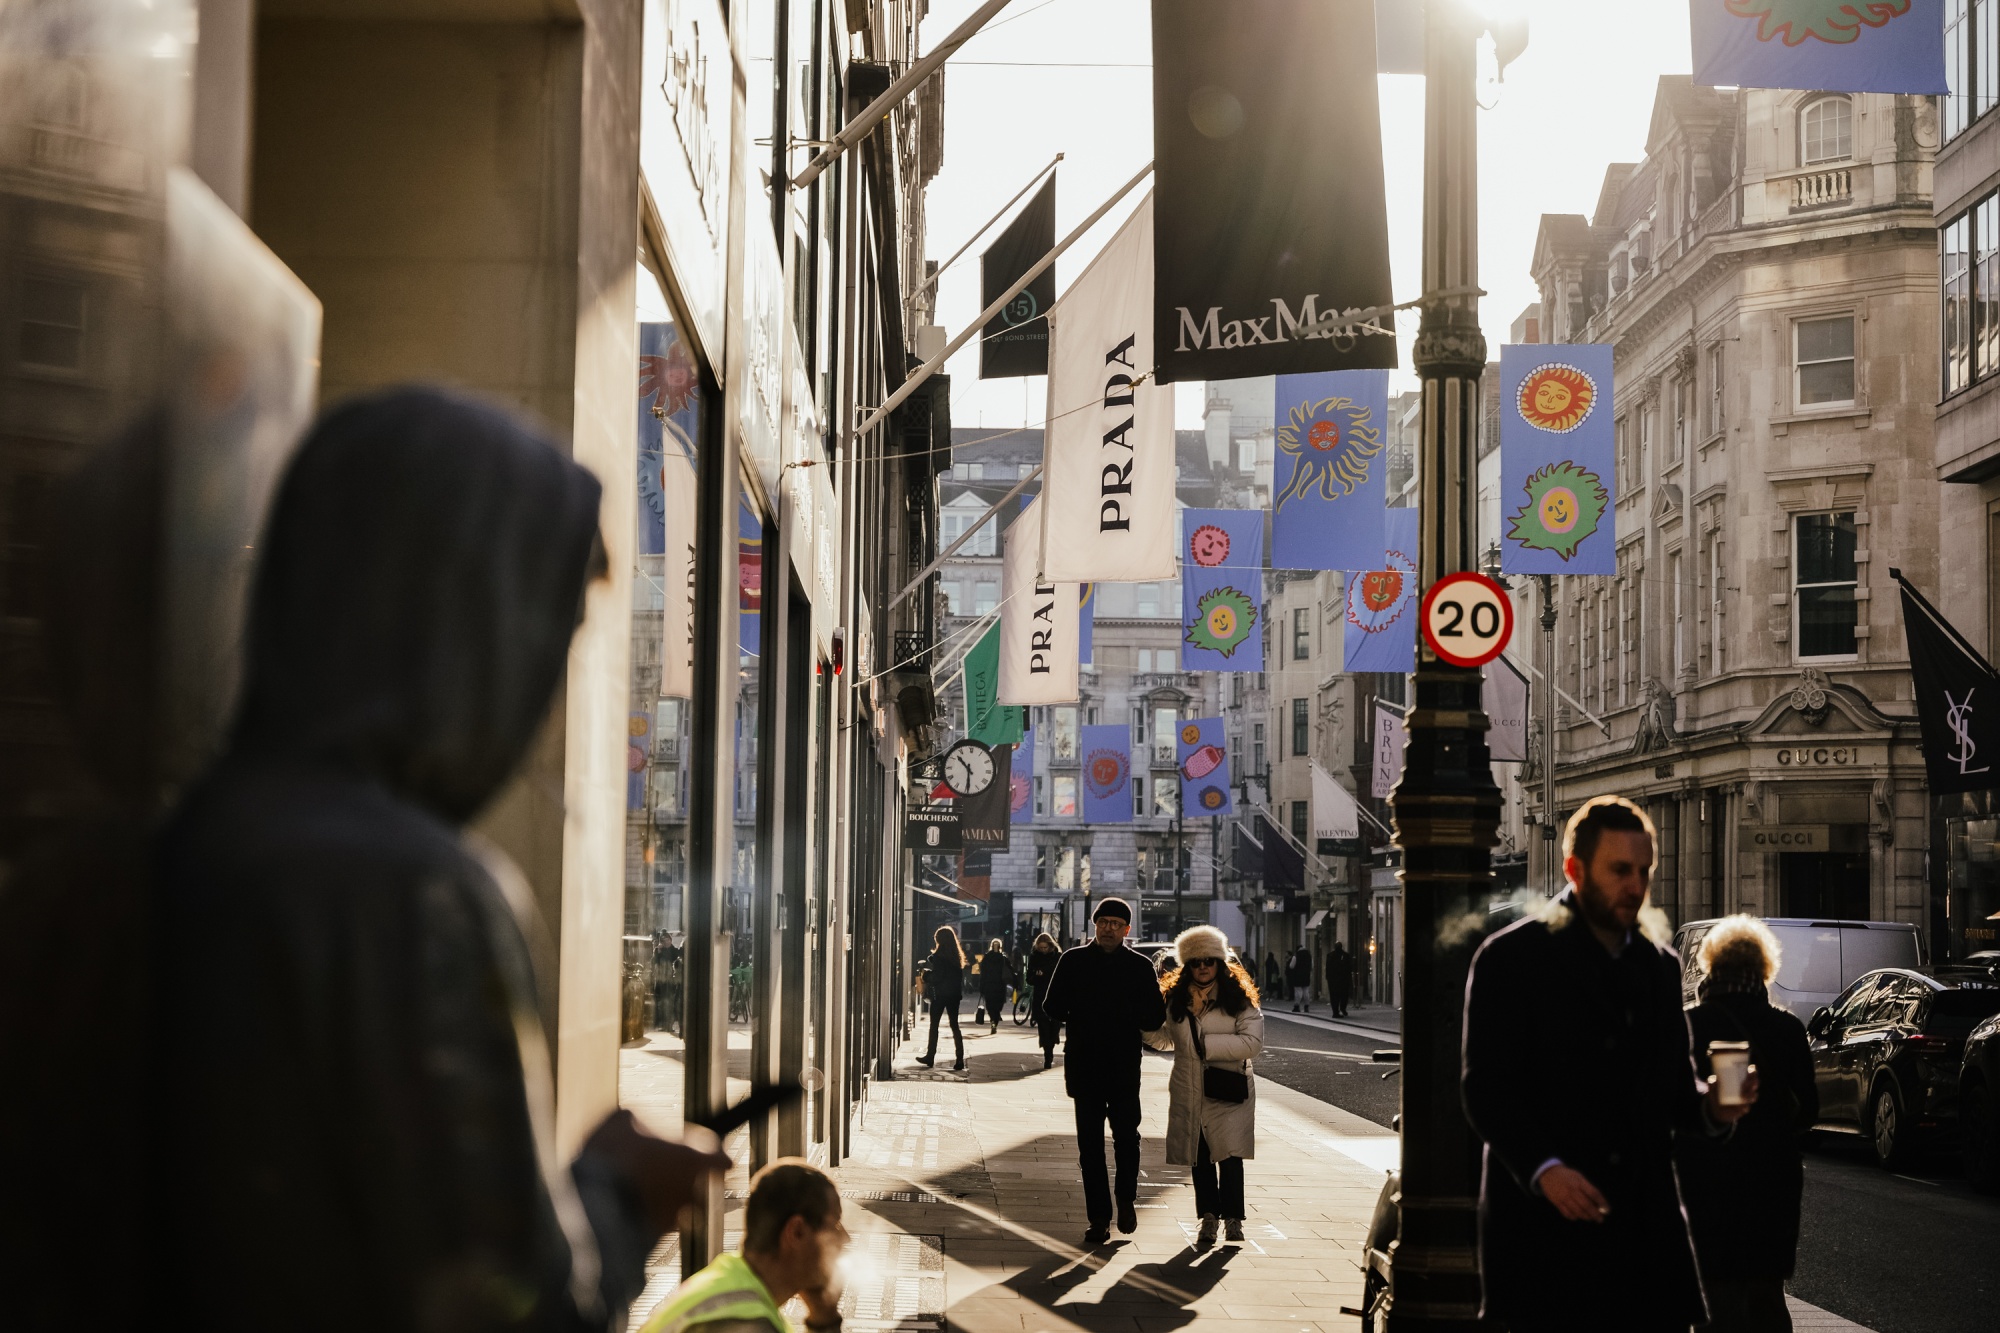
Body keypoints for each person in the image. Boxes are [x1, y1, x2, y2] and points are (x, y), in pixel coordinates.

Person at [151, 388, 731, 1330]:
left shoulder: (151, 848)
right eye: (550, 643)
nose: (543, 704)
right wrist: (622, 1198)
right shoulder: (415, 896)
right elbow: (511, 1309)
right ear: (470, 629)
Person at [1462, 795, 1759, 1333]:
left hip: (1644, 1240)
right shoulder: (1512, 958)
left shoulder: (1660, 966)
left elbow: (1674, 1089)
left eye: (1644, 871)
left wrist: (1713, 1106)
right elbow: (1486, 1088)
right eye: (1620, 870)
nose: (1635, 885)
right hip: (1545, 1240)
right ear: (1574, 870)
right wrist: (1544, 1171)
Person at [1675, 916, 1818, 1333]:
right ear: (1764, 970)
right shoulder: (1788, 1030)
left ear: (1710, 967)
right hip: (1771, 1181)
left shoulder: (1687, 1026)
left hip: (1703, 1177)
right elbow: (1808, 1111)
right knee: (1766, 1294)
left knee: (1713, 1296)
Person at [1039, 897, 1168, 1245]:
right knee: (1090, 1147)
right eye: (1104, 922)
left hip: (1125, 1066)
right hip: (1084, 1065)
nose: (1109, 928)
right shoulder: (1072, 960)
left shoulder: (1140, 967)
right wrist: (1084, 1013)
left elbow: (1155, 1016)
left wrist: (1123, 1015)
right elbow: (1051, 1006)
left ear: (1127, 929)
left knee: (1127, 1138)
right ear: (1094, 925)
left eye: (1116, 923)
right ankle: (1099, 1219)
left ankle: (1125, 1199)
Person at [1145, 926, 1265, 1250]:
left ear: (1220, 963)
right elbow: (1167, 1039)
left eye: (1209, 961)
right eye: (1196, 962)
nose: (1202, 967)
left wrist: (1205, 1043)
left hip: (1227, 1086)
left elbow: (1252, 1042)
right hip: (1188, 1085)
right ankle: (1209, 1218)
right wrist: (1144, 1029)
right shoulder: (1176, 1000)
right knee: (1198, 1156)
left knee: (1229, 1154)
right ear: (1187, 966)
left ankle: (1234, 1219)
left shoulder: (1238, 999)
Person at [640, 1159, 848, 1333]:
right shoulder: (743, 1323)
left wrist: (824, 1316)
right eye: (835, 1225)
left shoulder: (731, 1282)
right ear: (797, 1232)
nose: (845, 1238)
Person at [916, 925, 967, 1071]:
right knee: (954, 1026)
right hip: (954, 996)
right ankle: (959, 1059)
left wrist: (926, 975)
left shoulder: (939, 957)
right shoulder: (957, 956)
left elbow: (938, 977)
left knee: (934, 1026)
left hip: (940, 995)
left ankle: (930, 1056)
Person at [1024, 931, 1063, 1069]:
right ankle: (1048, 1055)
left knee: (1054, 1028)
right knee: (1044, 1027)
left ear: (1050, 946)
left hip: (1056, 996)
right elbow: (1029, 979)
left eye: (1045, 947)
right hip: (1040, 996)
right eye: (1041, 948)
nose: (1043, 950)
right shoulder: (1034, 958)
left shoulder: (1058, 957)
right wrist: (1036, 975)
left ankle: (1050, 1048)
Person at [978, 937, 1013, 1035]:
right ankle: (994, 1023)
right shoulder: (1003, 958)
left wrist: (981, 985)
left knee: (991, 1007)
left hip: (990, 985)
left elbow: (983, 973)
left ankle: (993, 1022)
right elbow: (1010, 971)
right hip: (999, 985)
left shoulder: (987, 958)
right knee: (997, 1007)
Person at [1286, 945, 1314, 1014]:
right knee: (1306, 991)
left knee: (1298, 991)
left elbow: (1291, 966)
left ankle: (1297, 1006)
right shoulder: (1309, 956)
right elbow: (1312, 966)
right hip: (1306, 975)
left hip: (1297, 975)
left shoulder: (1296, 956)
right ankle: (1306, 1006)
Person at [1328, 940, 1352, 1018]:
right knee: (1344, 995)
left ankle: (1335, 1011)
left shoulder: (1330, 955)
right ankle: (1342, 1008)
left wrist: (1328, 978)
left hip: (1333, 980)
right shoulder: (1346, 955)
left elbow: (1328, 968)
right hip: (1343, 979)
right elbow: (1349, 968)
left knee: (1334, 996)